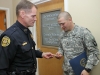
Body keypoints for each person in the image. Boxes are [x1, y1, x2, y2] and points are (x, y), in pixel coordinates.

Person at [0, 0, 54, 75]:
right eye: (33, 16)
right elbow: (2, 66)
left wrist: (42, 54)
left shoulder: (26, 31)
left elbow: (27, 52)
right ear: (22, 14)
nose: (36, 19)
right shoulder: (10, 36)